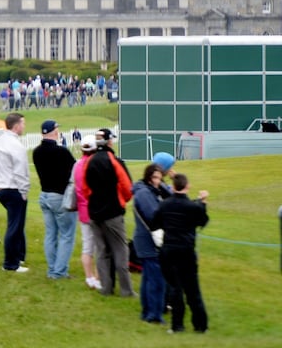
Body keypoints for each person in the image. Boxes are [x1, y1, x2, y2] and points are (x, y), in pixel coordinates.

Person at [153, 173, 209, 334]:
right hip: (186, 250)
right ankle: (200, 325)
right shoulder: (193, 207)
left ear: (172, 187)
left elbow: (154, 223)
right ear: (187, 186)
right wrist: (203, 202)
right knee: (192, 289)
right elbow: (202, 221)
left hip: (169, 249)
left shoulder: (165, 205)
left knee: (175, 288)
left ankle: (177, 325)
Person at [80, 128, 134, 297]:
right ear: (110, 141)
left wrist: (95, 200)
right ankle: (126, 290)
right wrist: (121, 201)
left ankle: (106, 287)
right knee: (120, 250)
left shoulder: (89, 161)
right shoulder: (114, 160)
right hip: (113, 212)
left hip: (95, 212)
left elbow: (84, 187)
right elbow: (127, 186)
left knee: (102, 251)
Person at [32, 119, 77, 279]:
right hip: (59, 196)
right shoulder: (61, 152)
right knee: (66, 235)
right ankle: (59, 271)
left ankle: (53, 269)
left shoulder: (36, 151)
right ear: (55, 132)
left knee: (50, 234)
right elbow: (74, 172)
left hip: (45, 195)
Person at [133, 163, 173, 324]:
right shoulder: (144, 193)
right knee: (156, 280)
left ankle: (147, 312)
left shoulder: (148, 191)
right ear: (148, 177)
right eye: (155, 177)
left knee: (149, 278)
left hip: (146, 240)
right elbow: (153, 217)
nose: (158, 181)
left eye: (159, 178)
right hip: (149, 241)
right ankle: (154, 315)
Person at [0, 112, 29, 272]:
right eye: (23, 123)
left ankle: (18, 256)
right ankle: (10, 263)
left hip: (0, 186)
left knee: (16, 225)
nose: (24, 126)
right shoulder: (16, 146)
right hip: (13, 188)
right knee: (14, 226)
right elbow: (21, 171)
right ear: (16, 125)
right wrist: (24, 190)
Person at [73, 135, 101, 290]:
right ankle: (97, 277)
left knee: (87, 246)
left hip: (82, 210)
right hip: (95, 209)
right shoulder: (94, 164)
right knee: (99, 246)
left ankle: (89, 277)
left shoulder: (77, 165)